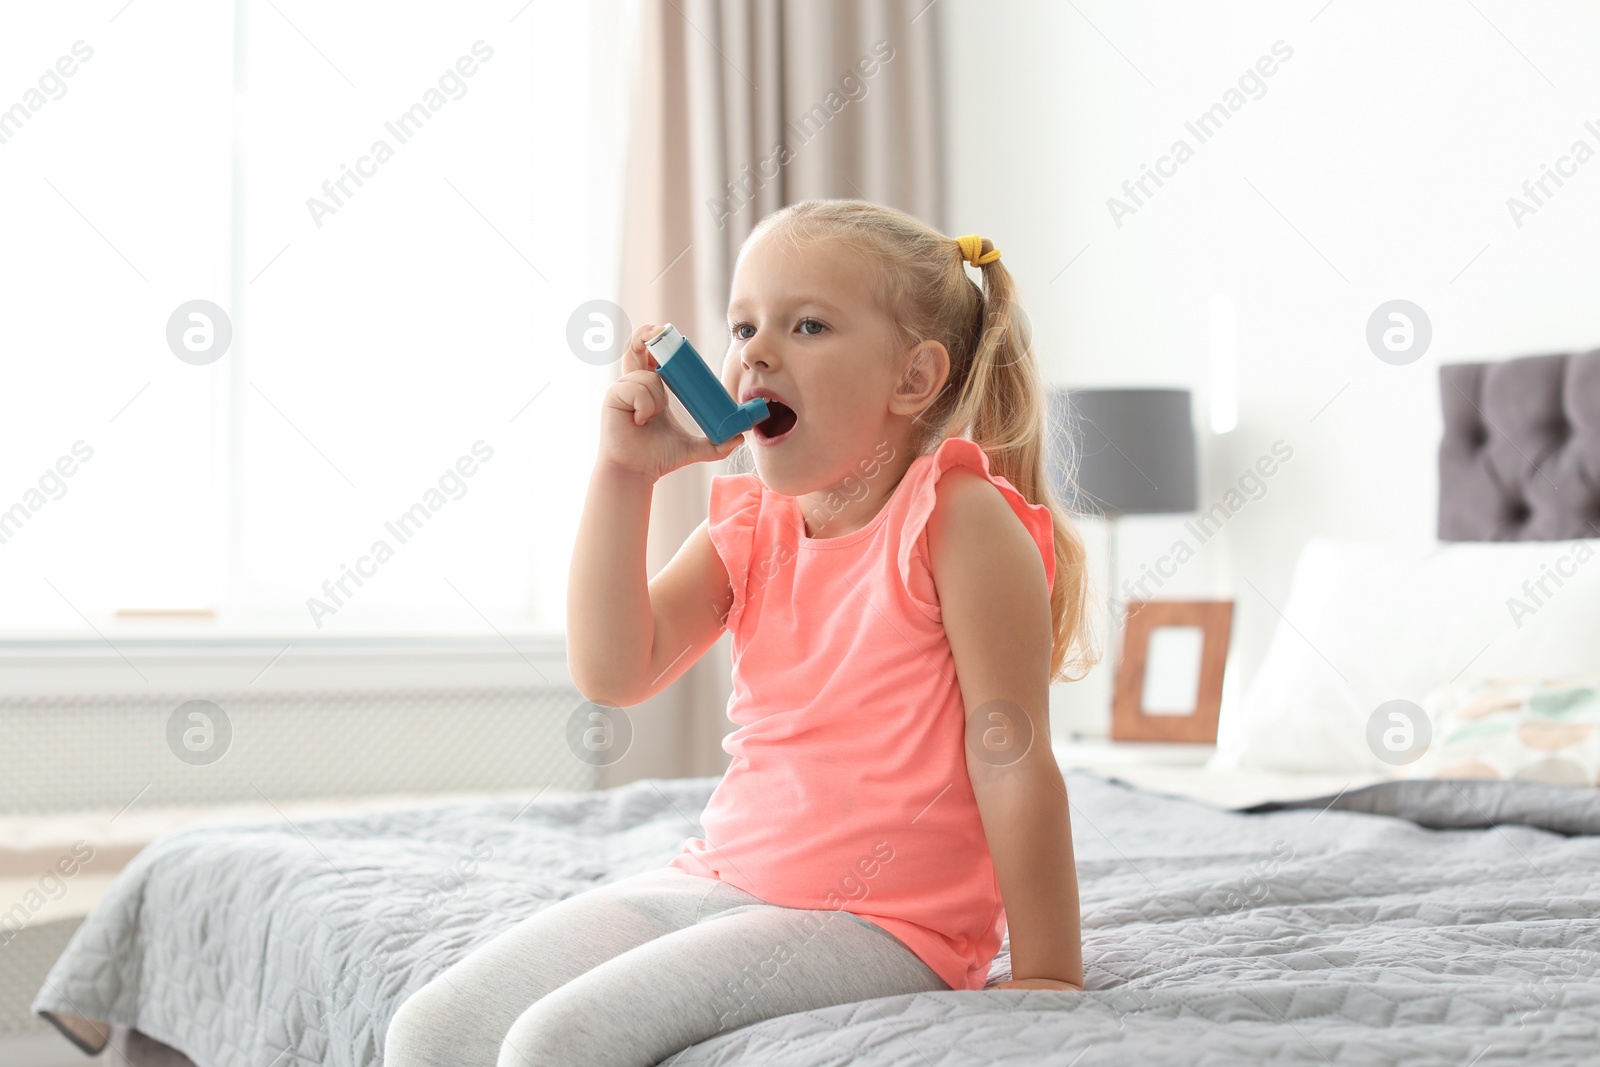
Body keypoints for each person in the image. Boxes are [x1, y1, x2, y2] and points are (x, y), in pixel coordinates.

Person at [384, 198, 1101, 1067]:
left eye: (807, 325)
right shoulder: (754, 520)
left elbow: (1012, 752)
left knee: (556, 1044)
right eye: (742, 325)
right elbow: (616, 669)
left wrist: (1051, 971)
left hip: (884, 920)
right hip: (724, 877)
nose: (755, 350)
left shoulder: (957, 519)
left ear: (913, 379)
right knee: (430, 1031)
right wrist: (623, 475)